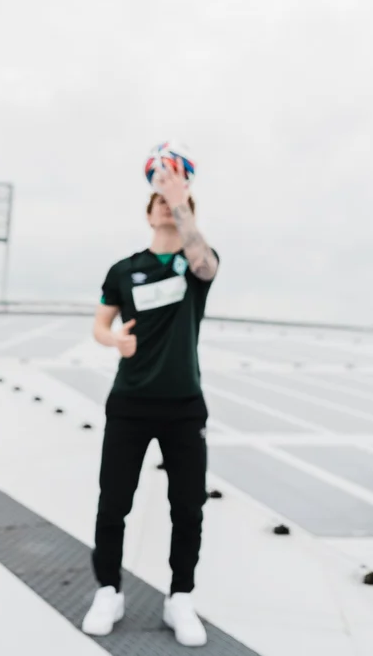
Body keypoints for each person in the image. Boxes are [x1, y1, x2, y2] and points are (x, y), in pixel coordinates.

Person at [81, 158, 219, 646]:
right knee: (113, 502)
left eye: (175, 201)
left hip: (185, 406)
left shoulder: (197, 263)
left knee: (188, 506)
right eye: (159, 199)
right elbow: (100, 325)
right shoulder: (125, 270)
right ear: (147, 212)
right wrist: (112, 339)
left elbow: (205, 261)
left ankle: (180, 596)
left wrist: (181, 200)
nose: (166, 204)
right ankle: (109, 590)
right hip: (130, 402)